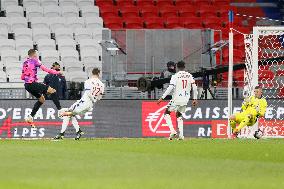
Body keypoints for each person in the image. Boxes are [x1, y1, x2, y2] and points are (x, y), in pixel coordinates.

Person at [54, 68, 105, 140]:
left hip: (83, 103)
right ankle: (75, 132)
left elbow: (88, 93)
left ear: (91, 73)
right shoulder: (102, 85)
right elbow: (99, 97)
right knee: (70, 115)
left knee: (65, 113)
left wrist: (90, 99)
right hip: (90, 105)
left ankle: (63, 133)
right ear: (99, 73)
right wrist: (94, 99)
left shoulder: (88, 81)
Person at [21, 49, 64, 127]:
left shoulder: (25, 63)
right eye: (36, 55)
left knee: (42, 99)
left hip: (27, 85)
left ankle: (30, 117)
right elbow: (46, 69)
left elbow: (22, 76)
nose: (37, 56)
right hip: (32, 84)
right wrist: (58, 72)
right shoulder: (35, 60)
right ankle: (60, 110)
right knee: (52, 91)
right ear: (34, 55)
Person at [157, 61, 198, 140]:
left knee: (166, 113)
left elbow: (170, 87)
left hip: (176, 98)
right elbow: (194, 87)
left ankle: (172, 131)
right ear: (184, 66)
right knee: (179, 115)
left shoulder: (175, 76)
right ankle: (181, 136)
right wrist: (195, 99)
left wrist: (162, 97)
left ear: (177, 67)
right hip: (185, 99)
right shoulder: (189, 75)